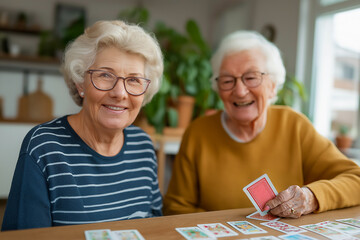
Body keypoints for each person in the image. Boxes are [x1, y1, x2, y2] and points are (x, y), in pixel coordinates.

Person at [163, 30, 360, 218]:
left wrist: (311, 198)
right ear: (218, 89)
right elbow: (175, 208)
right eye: (227, 80)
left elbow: (356, 180)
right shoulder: (198, 133)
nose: (239, 91)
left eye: (251, 78)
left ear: (273, 87)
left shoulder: (294, 126)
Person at [2, 20, 164, 231]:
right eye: (105, 75)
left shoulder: (143, 145)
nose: (120, 93)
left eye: (134, 80)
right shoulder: (44, 147)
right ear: (80, 83)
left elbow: (157, 227)